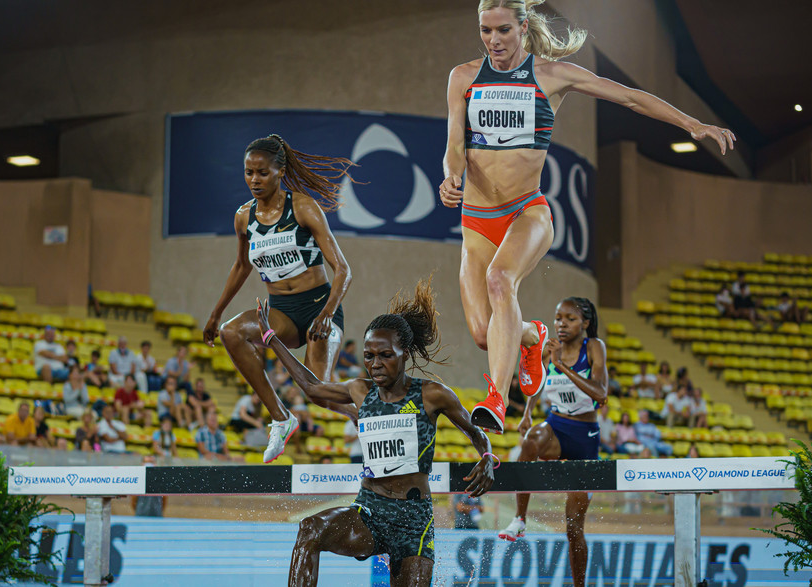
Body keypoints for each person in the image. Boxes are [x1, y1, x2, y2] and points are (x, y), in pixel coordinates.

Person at [442, 0, 735, 433]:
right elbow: (454, 140)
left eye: (503, 30)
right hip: (476, 219)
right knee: (485, 333)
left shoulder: (552, 76)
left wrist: (690, 123)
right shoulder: (464, 76)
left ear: (523, 27)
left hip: (527, 211)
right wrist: (451, 174)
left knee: (500, 280)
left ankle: (496, 400)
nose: (493, 41)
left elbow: (631, 98)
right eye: (485, 31)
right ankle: (533, 337)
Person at [257, 278, 494, 586]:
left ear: (404, 354)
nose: (375, 364)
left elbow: (475, 431)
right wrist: (272, 338)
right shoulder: (359, 390)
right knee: (309, 529)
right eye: (369, 355)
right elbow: (312, 386)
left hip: (413, 521)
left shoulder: (433, 395)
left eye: (385, 355)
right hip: (369, 510)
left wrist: (487, 456)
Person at [203, 133, 358, 463]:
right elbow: (242, 265)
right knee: (232, 332)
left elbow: (343, 269)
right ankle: (280, 417)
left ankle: (368, 416)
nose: (254, 180)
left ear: (280, 172)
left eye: (262, 172)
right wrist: (216, 314)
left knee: (320, 392)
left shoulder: (302, 207)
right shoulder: (244, 217)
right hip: (281, 313)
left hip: (318, 307)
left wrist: (328, 313)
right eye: (248, 172)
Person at [497, 297, 607, 587]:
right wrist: (528, 413)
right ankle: (520, 519)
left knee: (573, 527)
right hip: (557, 427)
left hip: (585, 437)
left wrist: (563, 366)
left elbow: (601, 394)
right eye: (558, 318)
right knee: (531, 440)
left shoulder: (593, 347)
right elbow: (537, 380)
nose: (561, 324)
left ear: (585, 323)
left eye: (569, 319)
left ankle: (579, 585)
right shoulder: (550, 348)